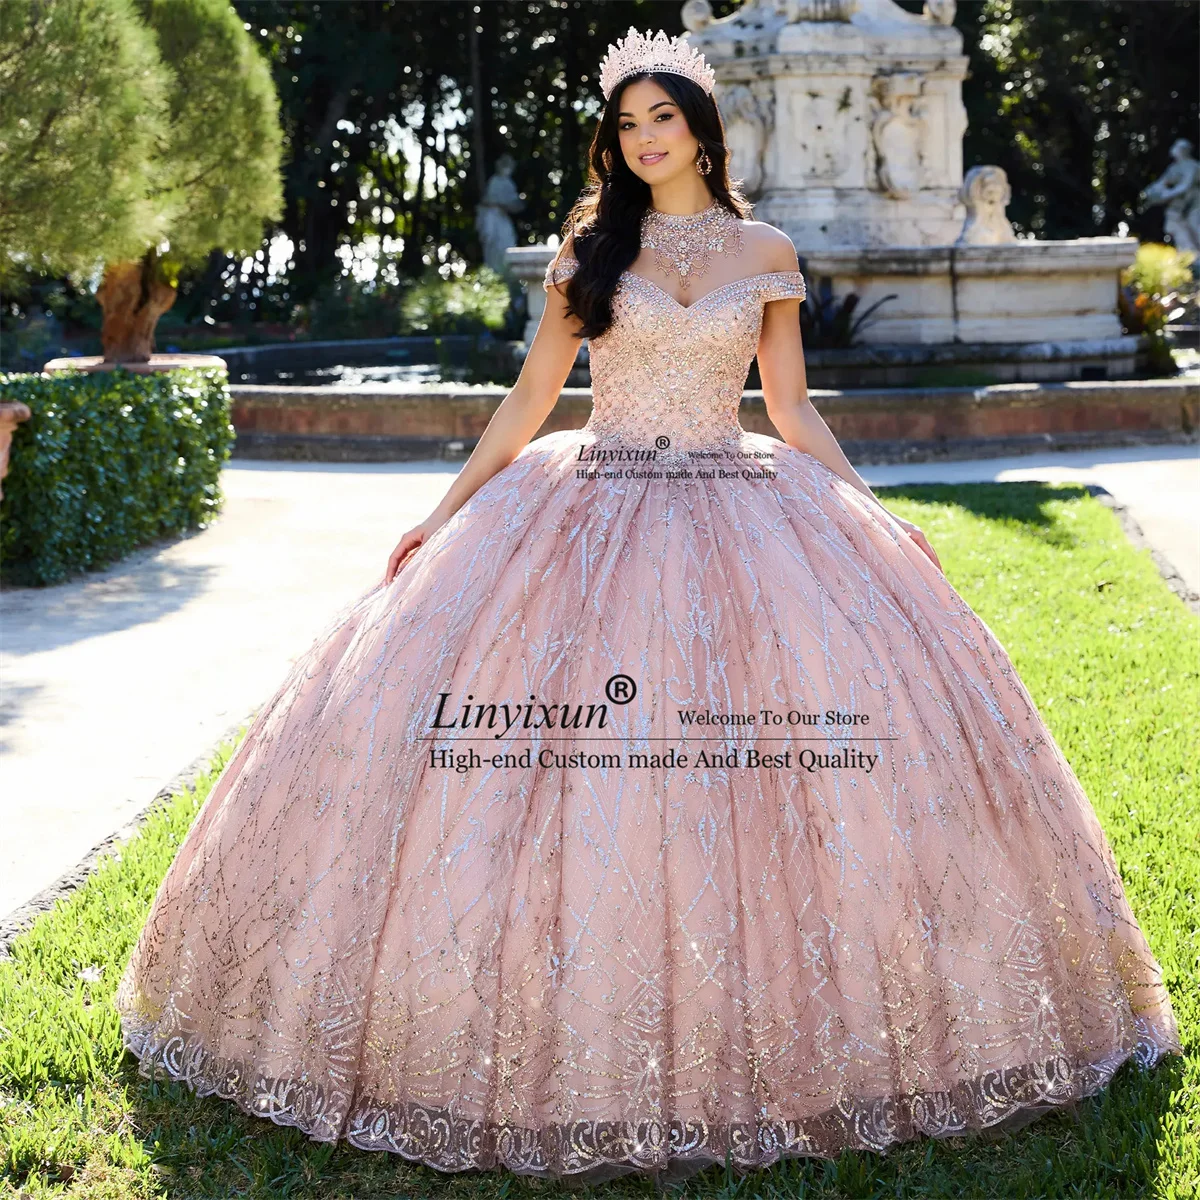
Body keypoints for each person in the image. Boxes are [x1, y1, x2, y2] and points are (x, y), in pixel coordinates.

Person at [115, 26, 1181, 1184]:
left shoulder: (765, 248)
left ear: (702, 129)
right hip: (591, 493)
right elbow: (532, 399)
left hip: (739, 496)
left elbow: (791, 410)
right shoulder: (592, 240)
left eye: (660, 118)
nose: (643, 139)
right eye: (625, 125)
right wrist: (446, 511)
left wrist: (876, 513)